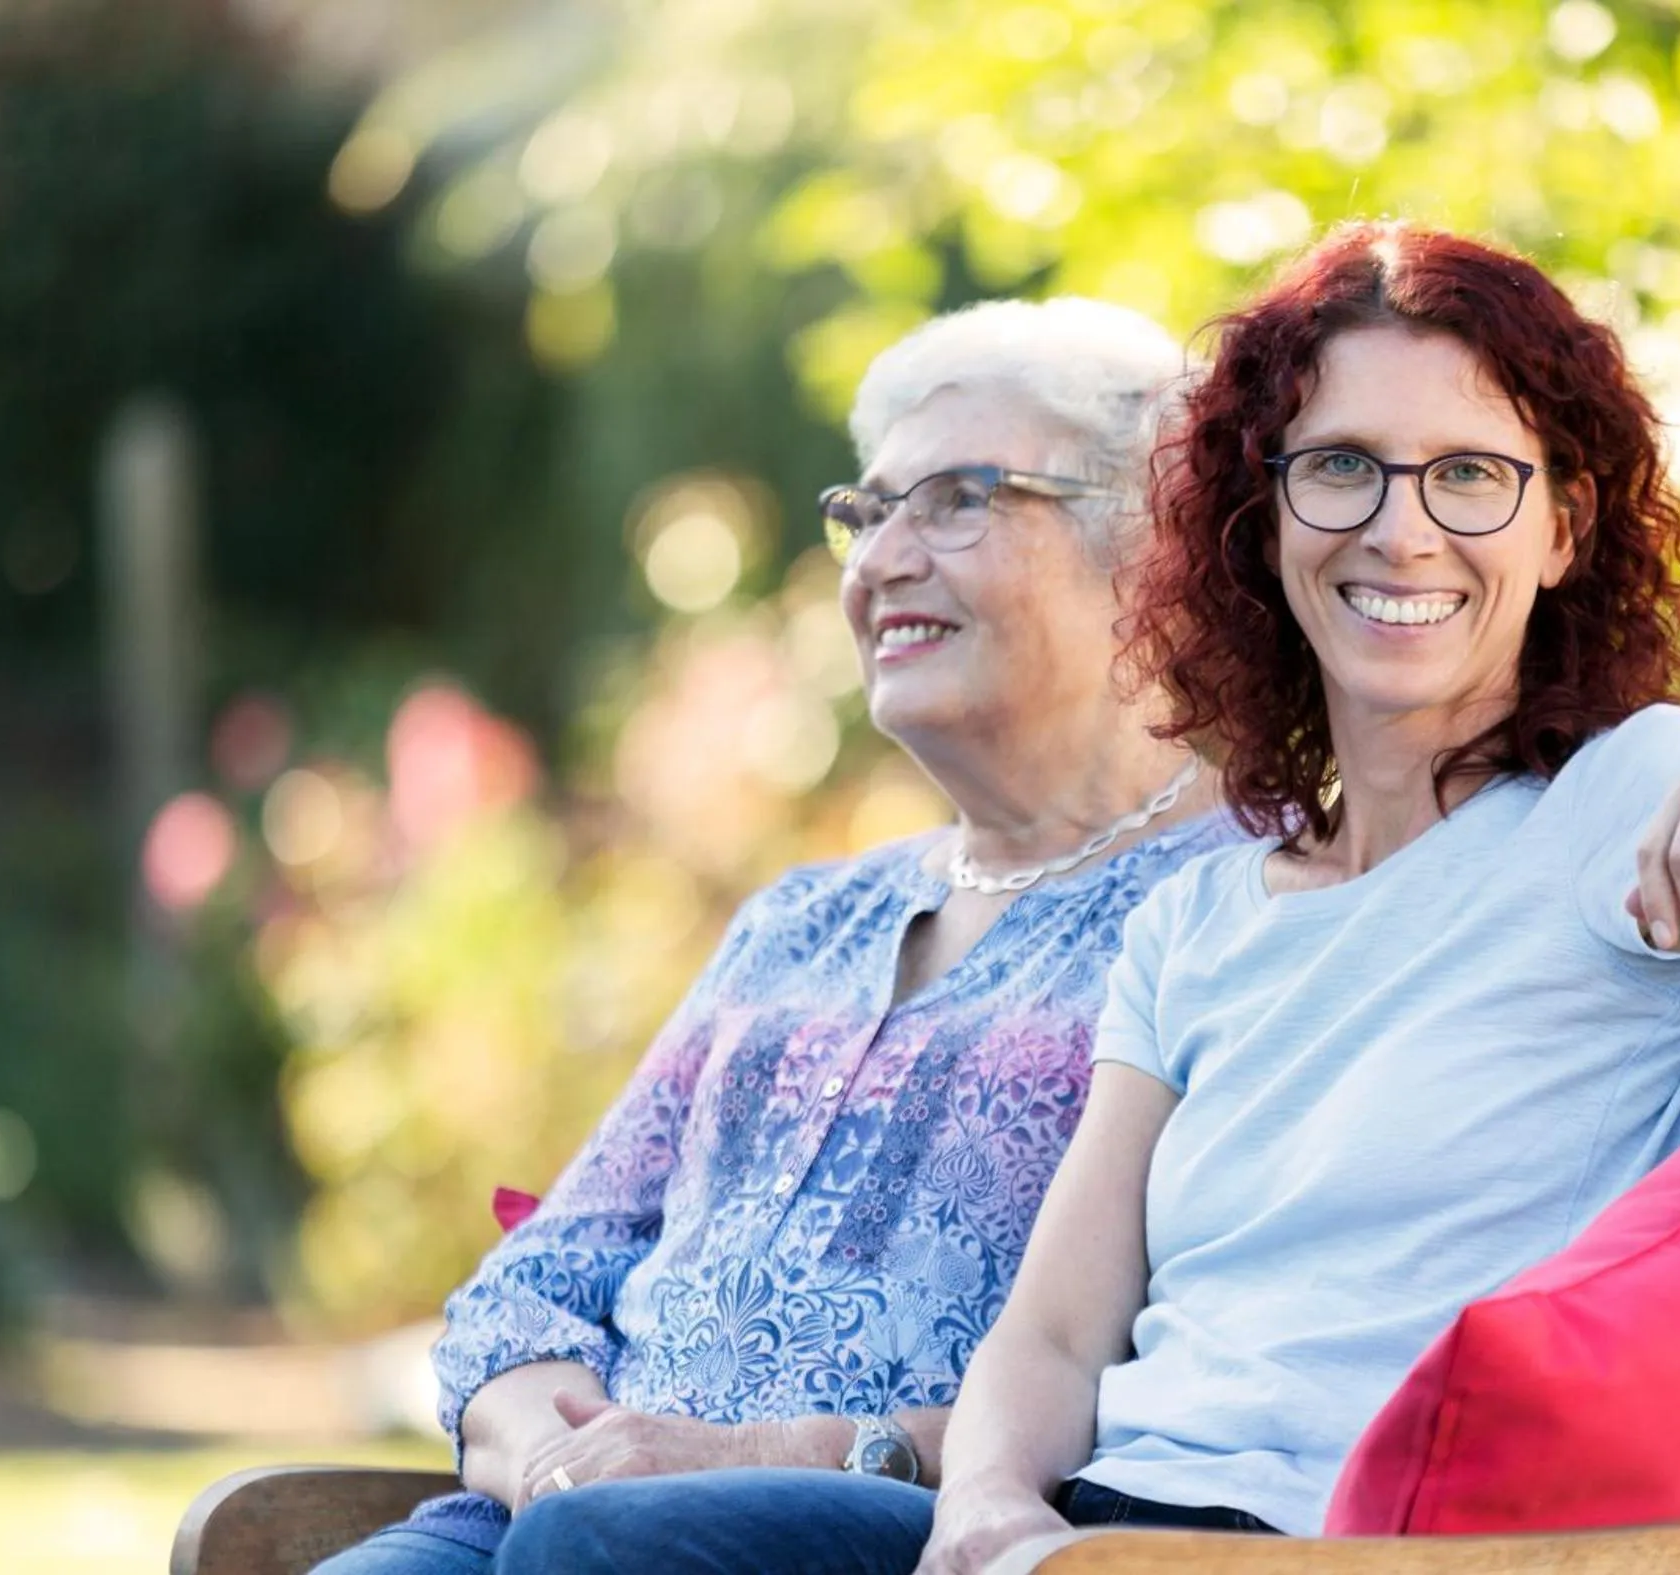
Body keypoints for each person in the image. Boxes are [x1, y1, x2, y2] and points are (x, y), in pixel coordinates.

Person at [887, 224, 1680, 1573]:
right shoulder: (1194, 922)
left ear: (1563, 527)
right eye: (1341, 467)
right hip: (1080, 1530)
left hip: (1326, 1550)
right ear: (1263, 520)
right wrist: (987, 1508)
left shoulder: (1630, 802)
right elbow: (1057, 1332)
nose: (1401, 526)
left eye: (1470, 474)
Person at [309, 295, 1234, 1575]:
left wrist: (777, 1457)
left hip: (909, 1535)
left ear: (1151, 550)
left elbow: (1183, 1372)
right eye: (865, 512)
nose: (879, 559)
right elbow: (544, 1273)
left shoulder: (1241, 907)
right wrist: (544, 1447)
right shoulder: (800, 919)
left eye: (958, 499)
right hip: (543, 1519)